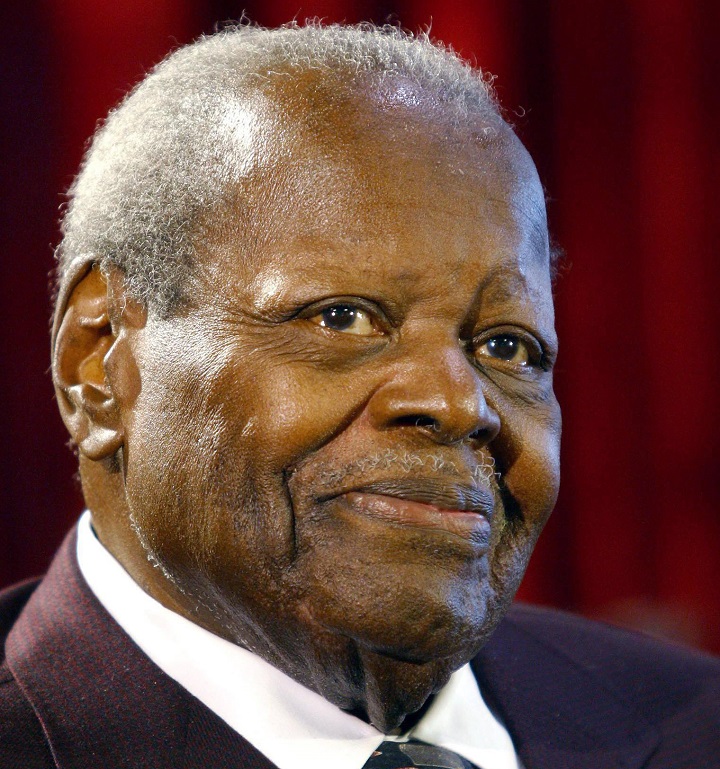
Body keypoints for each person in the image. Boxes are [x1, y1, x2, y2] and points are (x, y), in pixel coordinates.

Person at [1, 23, 717, 769]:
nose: (457, 402)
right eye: (341, 317)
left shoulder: (700, 724)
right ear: (99, 361)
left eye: (507, 346)